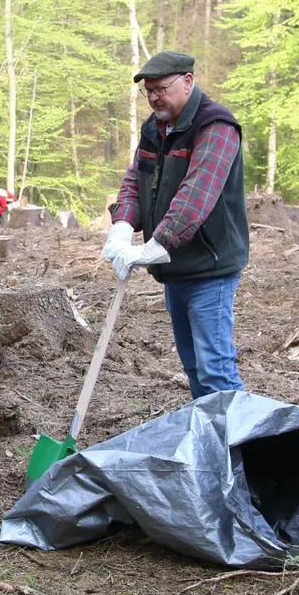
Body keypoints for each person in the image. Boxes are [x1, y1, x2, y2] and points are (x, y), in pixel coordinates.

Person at [101, 51, 249, 401]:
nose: (154, 97)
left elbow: (195, 195)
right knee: (194, 367)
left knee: (216, 369)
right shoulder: (155, 128)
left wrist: (155, 245)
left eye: (161, 89)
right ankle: (208, 443)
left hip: (209, 267)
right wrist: (122, 224)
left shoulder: (215, 127)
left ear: (187, 81)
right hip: (174, 268)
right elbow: (136, 180)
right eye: (148, 91)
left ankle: (239, 451)